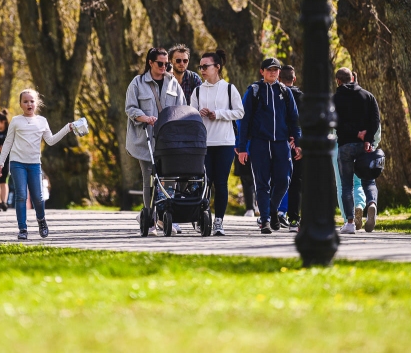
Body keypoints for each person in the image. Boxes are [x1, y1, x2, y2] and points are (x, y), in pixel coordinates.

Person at [0, 89, 74, 240]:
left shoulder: (42, 121)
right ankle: (22, 229)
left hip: (34, 164)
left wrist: (67, 129)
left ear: (36, 103)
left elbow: (50, 141)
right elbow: (8, 142)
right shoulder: (16, 121)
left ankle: (41, 220)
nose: (29, 104)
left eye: (32, 101)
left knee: (38, 197)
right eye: (25, 101)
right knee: (21, 196)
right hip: (17, 163)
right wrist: (1, 163)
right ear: (20, 104)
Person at [125, 47, 187, 234]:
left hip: (168, 140)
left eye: (166, 64)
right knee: (149, 179)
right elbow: (130, 108)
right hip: (145, 139)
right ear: (150, 63)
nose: (164, 67)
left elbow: (182, 107)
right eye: (160, 63)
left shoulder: (173, 83)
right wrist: (144, 117)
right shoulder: (137, 83)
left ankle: (164, 215)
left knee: (169, 177)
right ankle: (149, 217)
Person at [237, 57, 301, 234]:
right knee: (262, 182)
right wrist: (242, 147)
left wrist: (298, 143)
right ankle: (265, 220)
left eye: (276, 70)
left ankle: (273, 210)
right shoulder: (254, 91)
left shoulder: (285, 92)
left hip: (281, 143)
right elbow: (244, 120)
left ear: (279, 72)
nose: (273, 72)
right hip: (259, 142)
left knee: (284, 180)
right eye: (269, 69)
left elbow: (294, 120)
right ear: (262, 71)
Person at [190, 49, 244, 236]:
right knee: (205, 182)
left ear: (217, 67)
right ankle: (203, 218)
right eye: (200, 67)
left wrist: (218, 114)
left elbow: (239, 112)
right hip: (204, 144)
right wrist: (199, 113)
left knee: (220, 183)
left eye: (206, 66)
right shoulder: (198, 90)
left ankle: (219, 221)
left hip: (224, 142)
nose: (202, 70)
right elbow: (190, 115)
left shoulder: (229, 89)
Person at [333, 67, 381, 235]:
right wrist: (367, 138)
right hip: (365, 147)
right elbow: (376, 120)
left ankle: (350, 222)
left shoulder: (335, 99)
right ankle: (372, 203)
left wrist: (354, 133)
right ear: (352, 79)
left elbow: (334, 123)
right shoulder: (368, 96)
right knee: (369, 181)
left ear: (338, 81)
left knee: (346, 185)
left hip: (345, 145)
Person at [277, 65, 304, 231]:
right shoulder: (302, 97)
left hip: (279, 142)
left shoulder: (276, 95)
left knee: (276, 179)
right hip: (297, 145)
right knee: (296, 182)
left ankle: (275, 214)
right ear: (294, 79)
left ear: (280, 79)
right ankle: (294, 218)